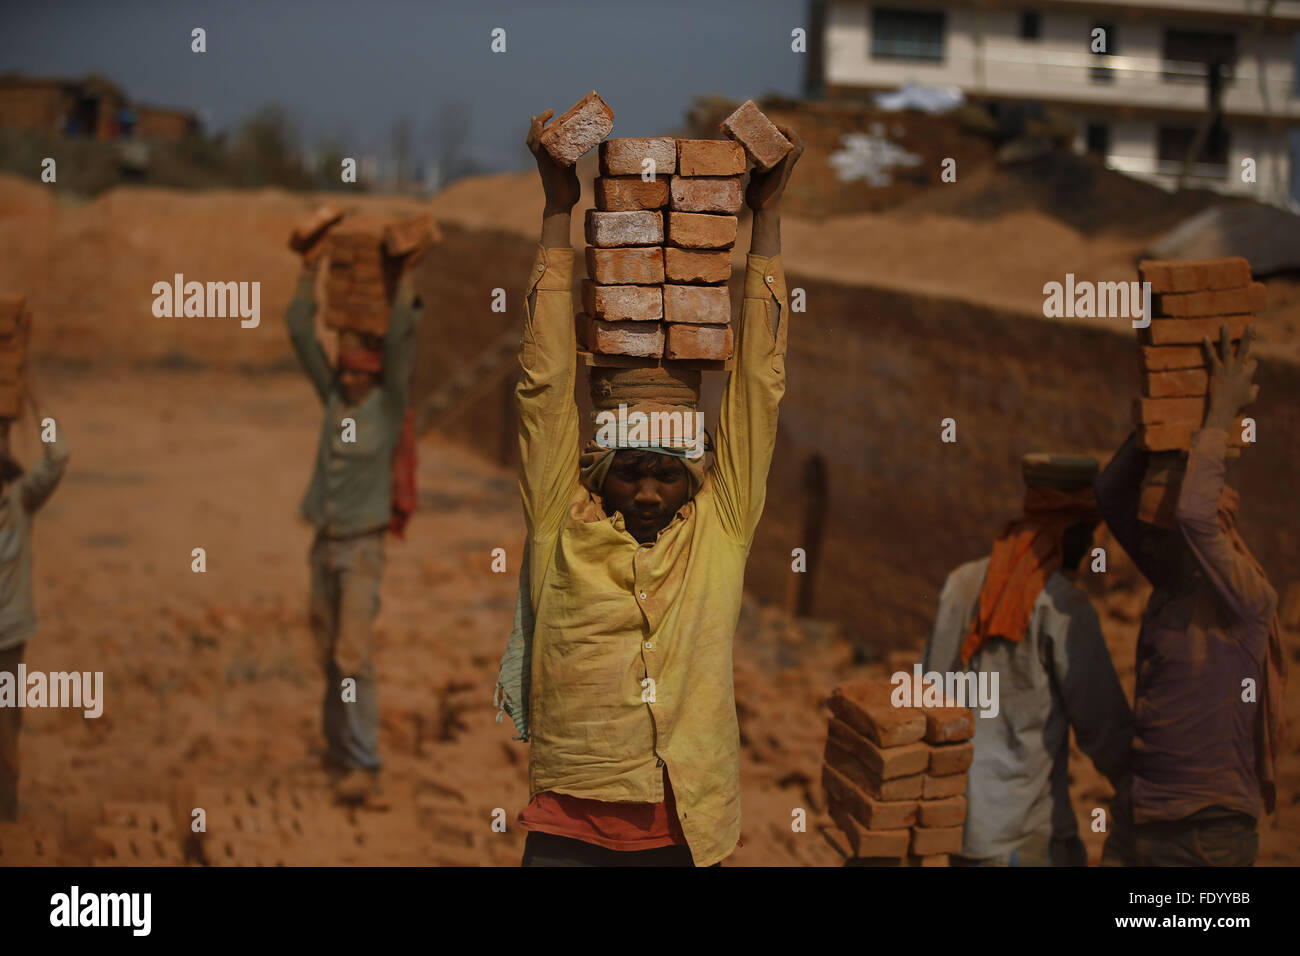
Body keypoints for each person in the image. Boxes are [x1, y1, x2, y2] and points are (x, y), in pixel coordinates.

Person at [495, 110, 802, 867]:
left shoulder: (720, 528)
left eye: (667, 473)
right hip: (567, 828)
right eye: (630, 471)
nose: (647, 493)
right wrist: (557, 210)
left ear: (690, 474)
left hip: (683, 830)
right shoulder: (560, 524)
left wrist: (766, 222)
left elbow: (758, 389)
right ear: (601, 468)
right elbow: (543, 386)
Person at [1095, 323, 1286, 866]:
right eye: (1149, 531)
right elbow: (1111, 494)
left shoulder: (1245, 599)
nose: (1151, 543)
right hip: (1145, 816)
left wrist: (1220, 413)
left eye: (1164, 533)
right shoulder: (1170, 586)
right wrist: (1167, 410)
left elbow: (1193, 513)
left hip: (1210, 833)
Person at [922, 453, 1134, 866]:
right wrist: (1143, 789)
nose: (1091, 549)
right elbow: (1103, 726)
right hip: (1023, 835)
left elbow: (929, 692)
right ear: (1068, 529)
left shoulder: (960, 582)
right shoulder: (1061, 605)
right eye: (1087, 534)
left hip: (958, 828)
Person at [284, 233, 423, 805]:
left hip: (363, 549)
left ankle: (365, 763)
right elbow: (298, 329)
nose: (348, 380)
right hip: (324, 544)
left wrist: (406, 274)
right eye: (343, 373)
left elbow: (403, 341)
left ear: (375, 375)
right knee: (325, 657)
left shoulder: (387, 408)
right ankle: (338, 750)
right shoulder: (334, 403)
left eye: (358, 373)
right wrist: (309, 266)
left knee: (352, 656)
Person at [0, 382, 71, 820]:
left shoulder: (21, 504)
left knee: (5, 734)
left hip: (8, 638)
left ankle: (6, 816)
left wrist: (33, 404)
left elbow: (58, 456)